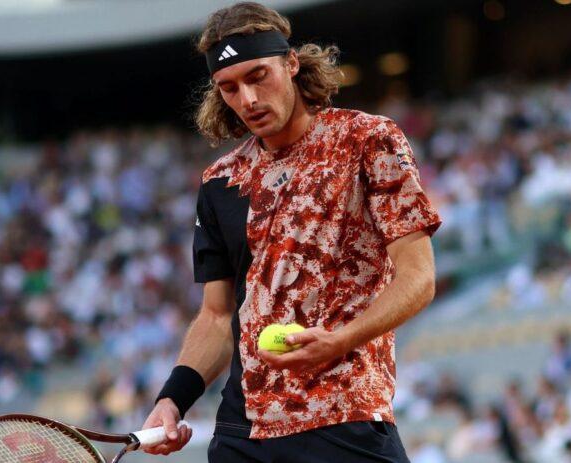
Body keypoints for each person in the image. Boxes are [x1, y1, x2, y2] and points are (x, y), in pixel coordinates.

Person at [140, 2, 441, 461]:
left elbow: (419, 278)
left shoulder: (368, 140)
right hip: (243, 432)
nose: (247, 100)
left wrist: (340, 340)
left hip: (345, 416)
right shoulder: (220, 181)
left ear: (292, 63)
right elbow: (217, 316)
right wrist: (171, 399)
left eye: (258, 76)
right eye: (229, 87)